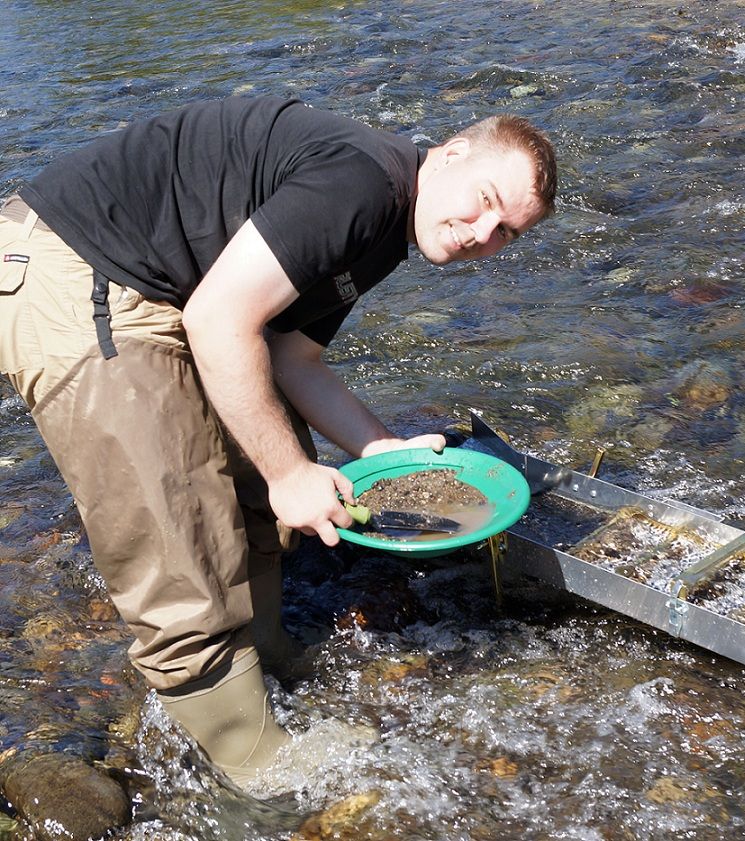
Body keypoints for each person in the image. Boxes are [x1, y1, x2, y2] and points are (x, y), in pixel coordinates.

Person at [0, 96, 557, 786]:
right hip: (77, 268)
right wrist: (291, 471)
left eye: (508, 230)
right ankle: (250, 758)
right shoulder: (360, 185)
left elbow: (292, 359)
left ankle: (260, 650)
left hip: (167, 290)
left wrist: (376, 445)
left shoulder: (386, 226)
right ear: (449, 154)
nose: (484, 231)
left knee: (252, 483)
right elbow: (219, 319)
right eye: (484, 202)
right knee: (176, 523)